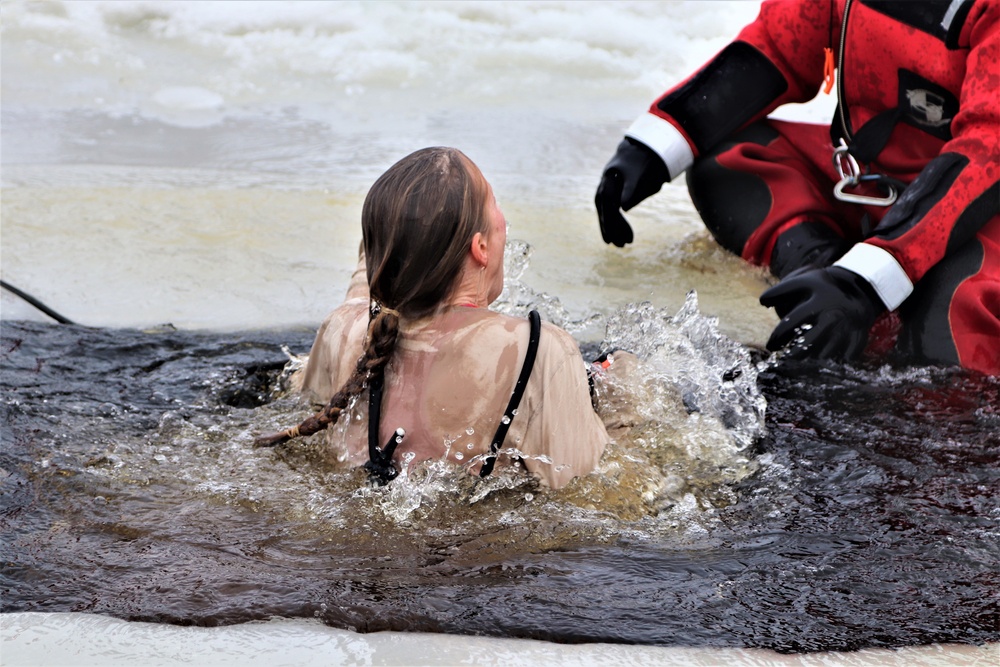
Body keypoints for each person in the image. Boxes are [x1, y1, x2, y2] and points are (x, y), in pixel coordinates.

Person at [595, 0, 999, 375]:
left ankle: (921, 410)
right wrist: (652, 146)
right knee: (727, 158)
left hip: (981, 214)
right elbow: (776, 47)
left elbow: (988, 151)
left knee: (957, 311)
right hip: (873, 184)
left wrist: (866, 282)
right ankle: (820, 281)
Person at [257, 147, 626, 489]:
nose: (504, 219)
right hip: (473, 555)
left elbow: (365, 295)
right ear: (480, 248)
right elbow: (592, 491)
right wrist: (619, 401)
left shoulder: (341, 329)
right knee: (627, 373)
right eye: (495, 204)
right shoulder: (536, 349)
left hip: (352, 540)